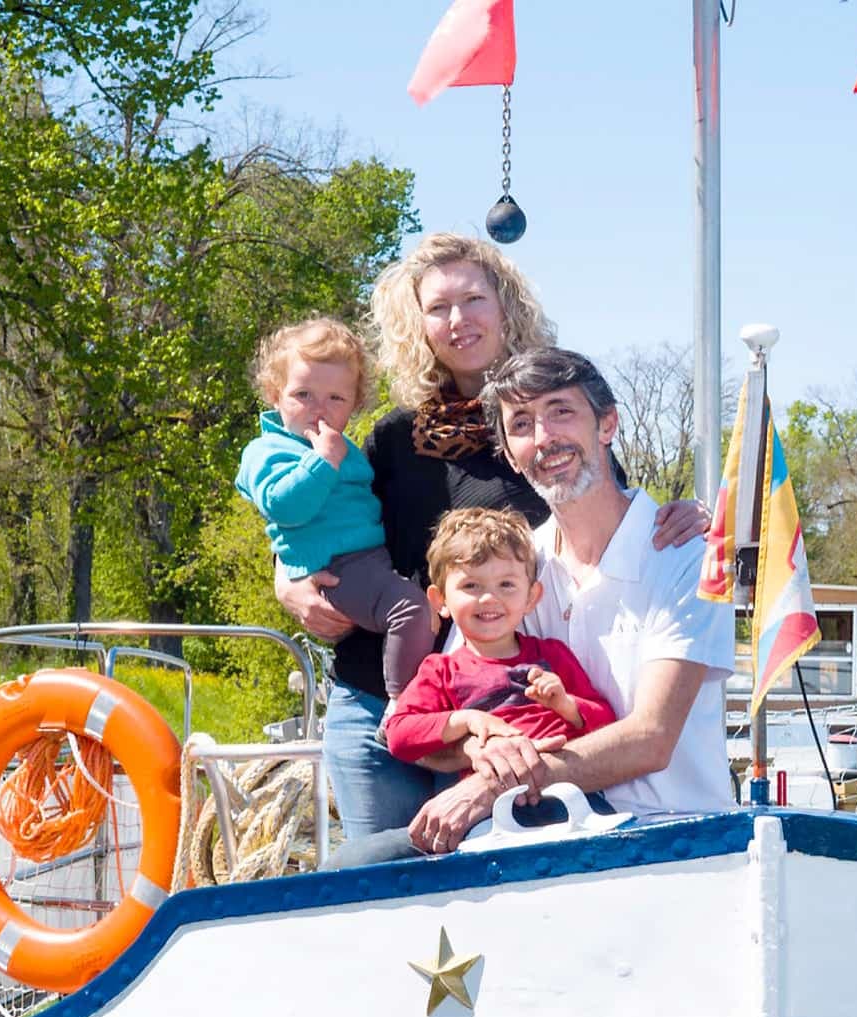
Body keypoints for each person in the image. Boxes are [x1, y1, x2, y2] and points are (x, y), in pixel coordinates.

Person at [270, 234, 706, 839]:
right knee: (384, 890)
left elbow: (610, 513)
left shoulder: (548, 431)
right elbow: (328, 519)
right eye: (437, 308)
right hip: (383, 701)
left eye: (473, 299)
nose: (458, 320)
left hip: (503, 715)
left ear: (506, 307)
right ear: (417, 325)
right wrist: (286, 575)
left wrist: (692, 516)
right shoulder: (393, 438)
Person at [332, 348, 735, 866]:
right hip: (535, 830)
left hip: (667, 841)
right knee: (353, 867)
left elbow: (651, 739)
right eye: (521, 423)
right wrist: (475, 748)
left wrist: (486, 787)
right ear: (511, 453)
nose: (544, 438)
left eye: (561, 410)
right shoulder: (520, 565)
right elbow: (443, 715)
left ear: (607, 424)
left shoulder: (686, 555)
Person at [235, 318, 433, 700]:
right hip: (339, 568)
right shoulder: (268, 452)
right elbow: (285, 507)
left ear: (355, 405)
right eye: (303, 395)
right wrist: (323, 461)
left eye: (335, 399)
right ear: (275, 394)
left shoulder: (347, 449)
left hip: (368, 562)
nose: (318, 410)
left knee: (419, 611)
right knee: (411, 610)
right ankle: (403, 705)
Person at [383, 507, 617, 766]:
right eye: (471, 586)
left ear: (531, 597)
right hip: (496, 796)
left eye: (506, 585)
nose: (489, 598)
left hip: (569, 788)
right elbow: (398, 734)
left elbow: (607, 721)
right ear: (440, 601)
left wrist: (566, 705)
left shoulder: (552, 655)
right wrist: (467, 720)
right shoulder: (440, 671)